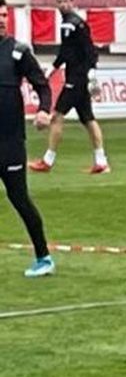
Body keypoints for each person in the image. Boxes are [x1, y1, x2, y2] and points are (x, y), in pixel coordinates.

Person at [30, 0, 110, 175]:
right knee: (88, 119)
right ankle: (101, 161)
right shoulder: (68, 23)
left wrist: (91, 72)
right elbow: (66, 51)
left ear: (72, 2)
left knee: (57, 116)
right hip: (77, 77)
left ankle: (47, 161)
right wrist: (53, 68)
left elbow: (89, 49)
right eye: (60, 1)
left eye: (66, 1)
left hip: (76, 79)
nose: (63, 4)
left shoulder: (75, 23)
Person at [2, 26, 56, 277]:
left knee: (19, 198)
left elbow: (42, 85)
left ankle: (44, 258)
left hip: (10, 142)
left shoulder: (18, 51)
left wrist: (44, 110)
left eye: (4, 15)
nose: (1, 20)